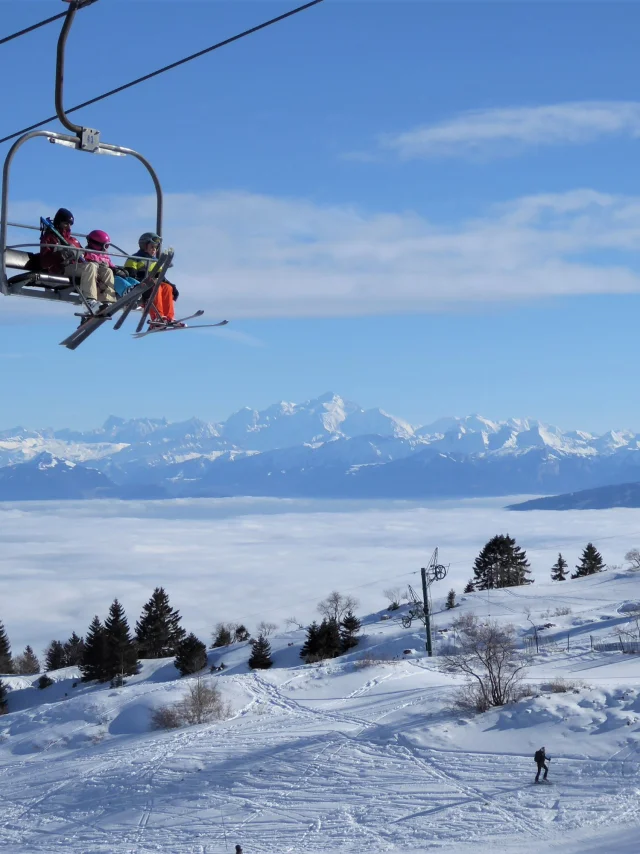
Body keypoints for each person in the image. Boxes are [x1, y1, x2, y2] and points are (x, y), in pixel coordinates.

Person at [40, 209, 116, 313]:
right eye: (66, 223)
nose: (68, 227)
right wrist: (61, 254)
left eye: (70, 224)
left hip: (78, 267)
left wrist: (99, 263)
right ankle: (89, 301)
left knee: (106, 271)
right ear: (59, 222)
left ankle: (107, 301)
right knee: (91, 267)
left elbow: (85, 256)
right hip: (62, 268)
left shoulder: (73, 240)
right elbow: (44, 262)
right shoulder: (50, 238)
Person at [124, 232, 183, 327]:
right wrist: (144, 281)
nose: (154, 250)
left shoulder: (155, 262)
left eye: (156, 248)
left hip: (152, 285)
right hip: (142, 288)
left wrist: (172, 286)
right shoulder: (135, 258)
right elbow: (130, 275)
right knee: (156, 287)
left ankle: (169, 317)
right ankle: (157, 316)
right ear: (144, 246)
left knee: (167, 287)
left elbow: (161, 277)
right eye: (152, 247)